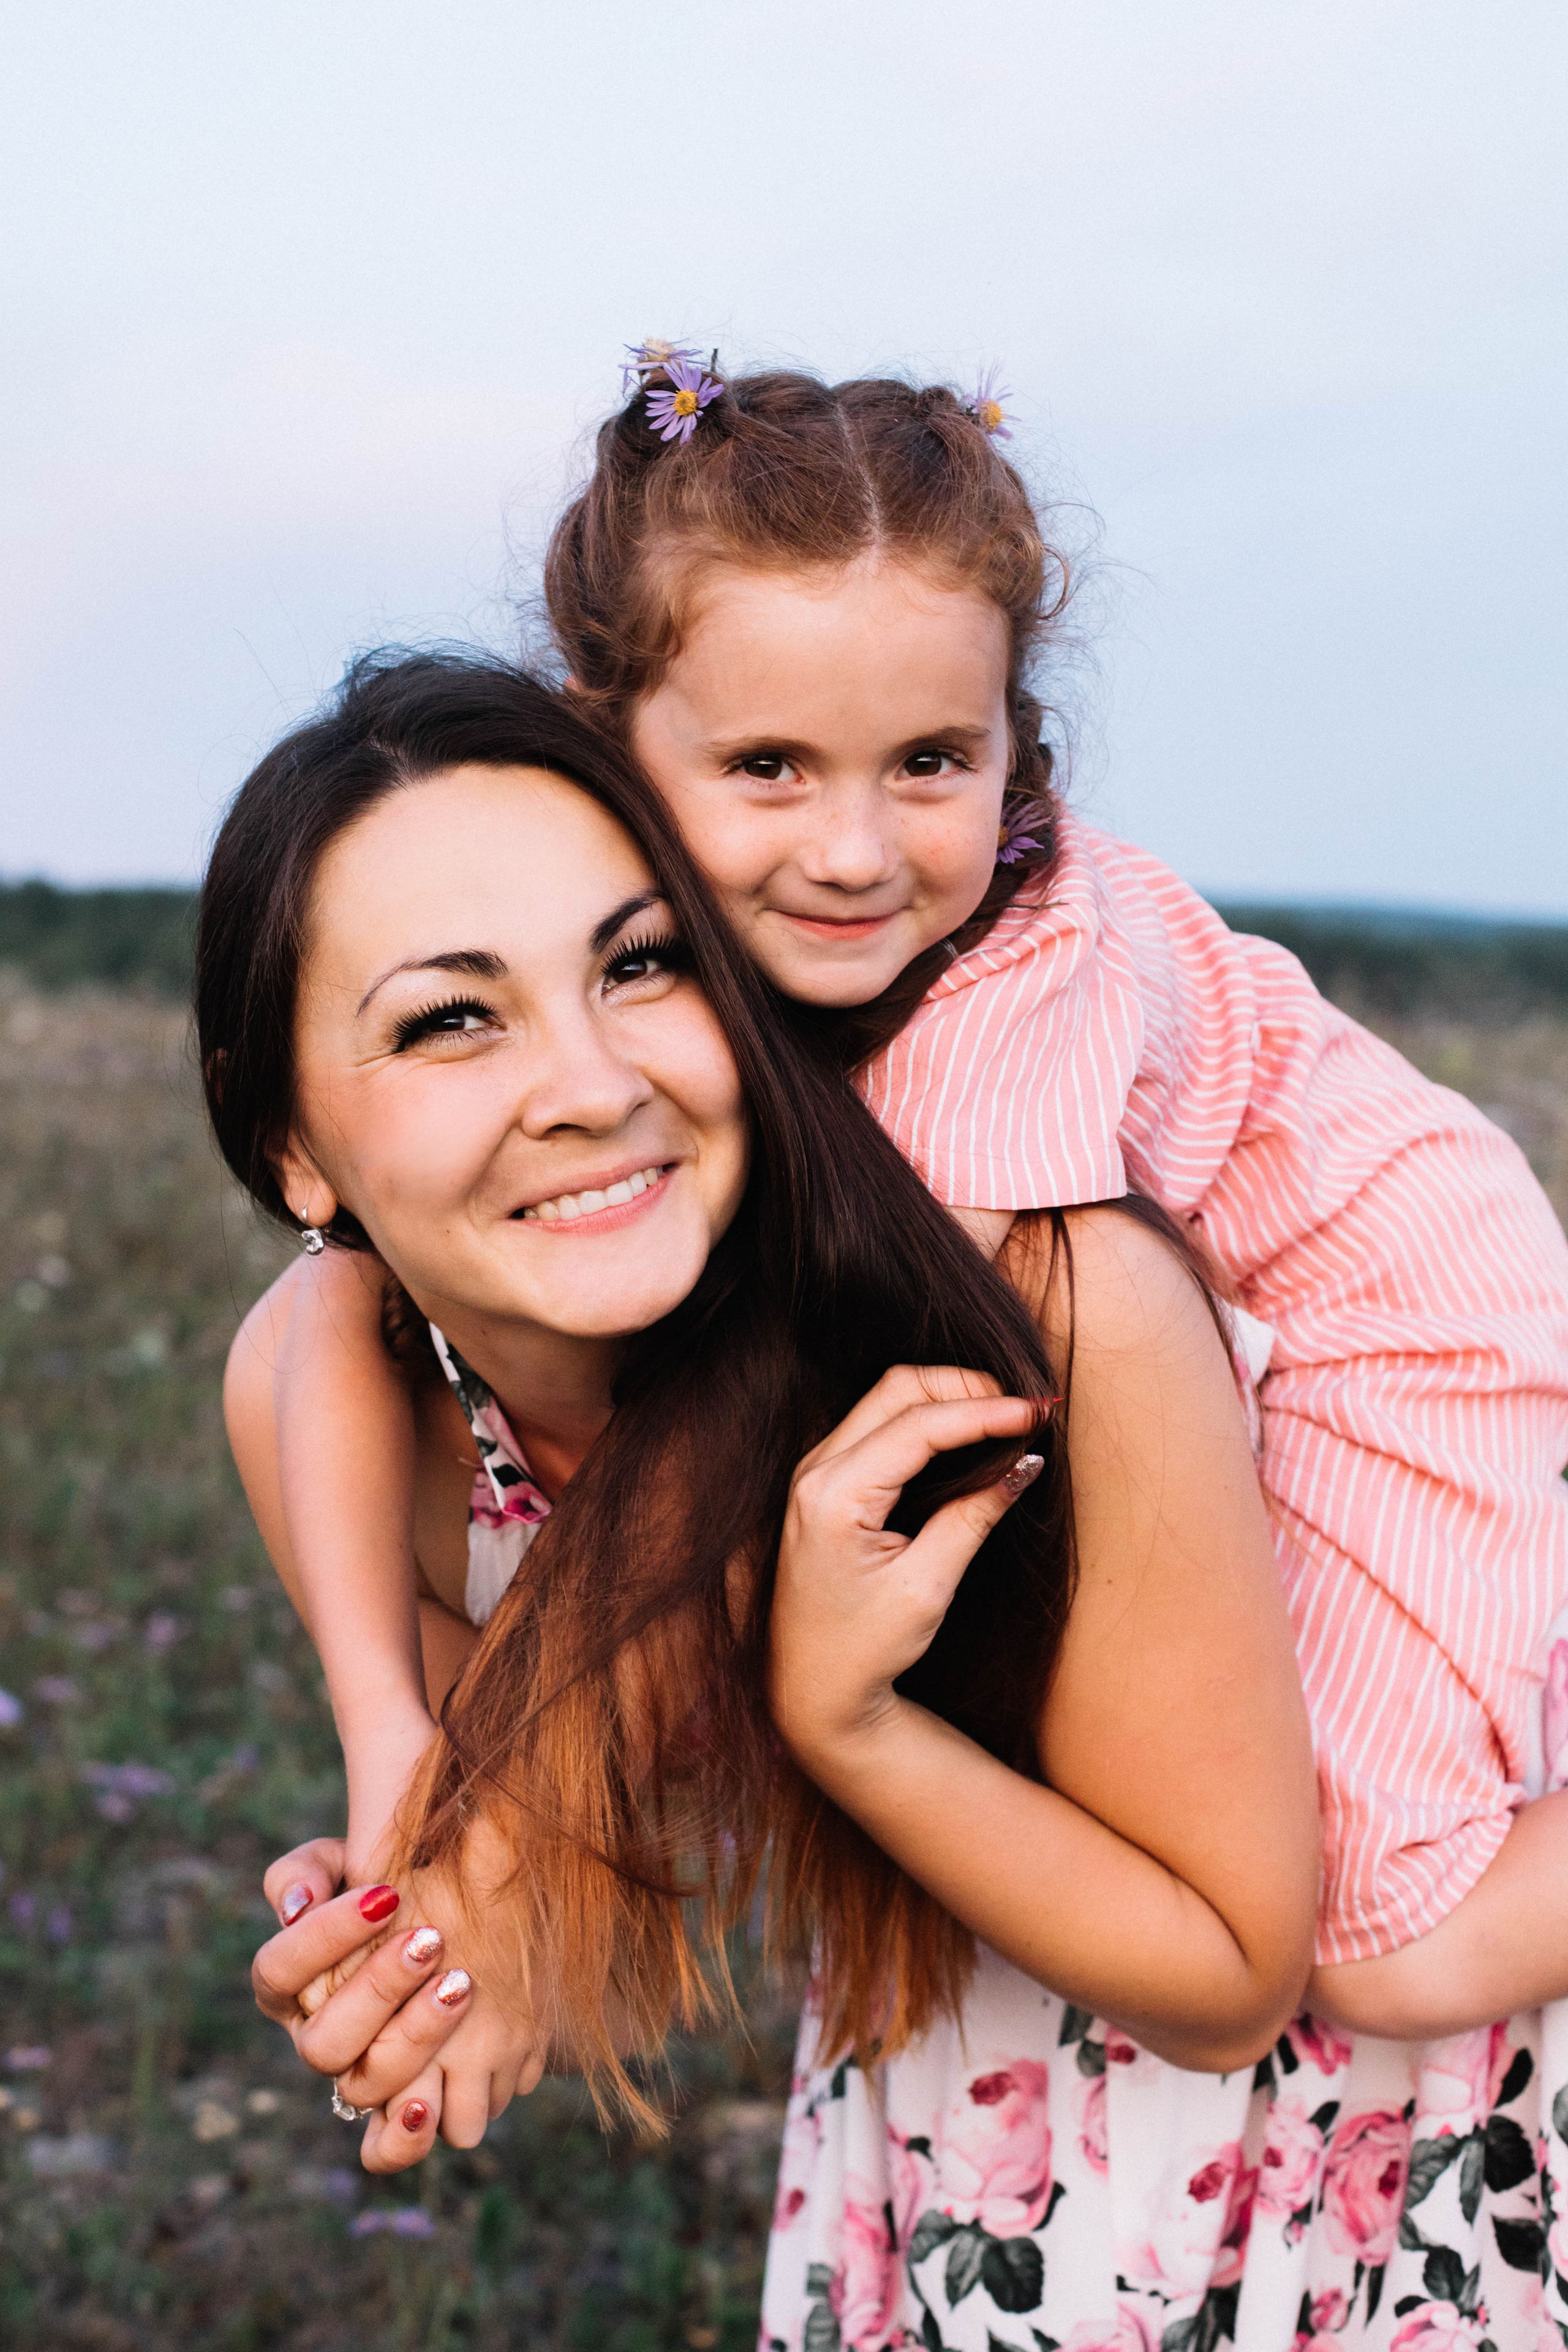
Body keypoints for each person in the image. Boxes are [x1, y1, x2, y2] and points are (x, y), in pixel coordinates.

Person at [239, 339, 1568, 2340]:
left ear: (1018, 758)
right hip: (996, 2100)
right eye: (769, 769)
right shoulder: (722, 1059)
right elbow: (307, 1329)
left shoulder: (996, 1048)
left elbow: (795, 1366)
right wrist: (414, 1773)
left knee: (1397, 1932)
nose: (854, 852)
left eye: (928, 767)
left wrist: (503, 1809)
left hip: (1413, 1334)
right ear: (618, 745)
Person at [209, 651, 1315, 2177]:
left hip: (1314, 2142)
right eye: (453, 1018)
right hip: (934, 2111)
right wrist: (410, 1957)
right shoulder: (352, 1428)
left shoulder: (1042, 1301)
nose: (591, 1087)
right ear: (291, 1149)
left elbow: (1236, 1985)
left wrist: (844, 1723)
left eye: (639, 963)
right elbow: (550, 1863)